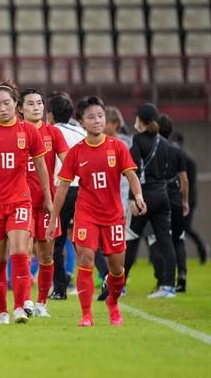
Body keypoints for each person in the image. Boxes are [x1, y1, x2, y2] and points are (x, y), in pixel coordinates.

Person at [46, 96, 146, 327]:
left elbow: (132, 175)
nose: (97, 120)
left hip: (113, 215)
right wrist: (53, 221)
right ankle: (87, 314)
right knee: (86, 259)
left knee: (117, 269)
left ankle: (113, 303)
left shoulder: (118, 147)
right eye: (91, 117)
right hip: (86, 214)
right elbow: (62, 189)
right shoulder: (76, 152)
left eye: (100, 116)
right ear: (81, 122)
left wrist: (138, 196)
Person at [0, 81, 52, 325]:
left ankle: (19, 307)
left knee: (19, 253)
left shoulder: (28, 131)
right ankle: (2, 312)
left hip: (20, 201)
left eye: (7, 103)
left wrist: (47, 196)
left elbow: (41, 166)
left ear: (16, 104)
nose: (2, 108)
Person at [18, 88, 69, 317]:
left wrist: (59, 183)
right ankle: (25, 300)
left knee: (46, 256)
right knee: (24, 252)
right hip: (21, 202)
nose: (37, 107)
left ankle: (41, 304)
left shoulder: (53, 133)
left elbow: (67, 162)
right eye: (30, 103)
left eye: (39, 103)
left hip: (47, 203)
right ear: (20, 109)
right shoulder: (15, 132)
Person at [124, 103, 178, 299]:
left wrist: (132, 198)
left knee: (130, 239)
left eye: (137, 117)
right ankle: (168, 286)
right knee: (165, 240)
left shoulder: (137, 140)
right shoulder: (164, 143)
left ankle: (119, 285)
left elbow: (133, 170)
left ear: (141, 121)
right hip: (163, 196)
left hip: (144, 197)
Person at [46, 92, 85, 300]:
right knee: (84, 238)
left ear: (50, 114)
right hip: (83, 189)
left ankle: (60, 288)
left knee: (57, 240)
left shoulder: (50, 132)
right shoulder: (81, 131)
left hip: (61, 189)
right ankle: (107, 276)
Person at [97, 106, 133, 301]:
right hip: (102, 201)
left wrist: (135, 198)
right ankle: (110, 278)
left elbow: (133, 174)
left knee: (118, 245)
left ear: (114, 124)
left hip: (122, 200)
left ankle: (118, 281)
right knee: (97, 244)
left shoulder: (124, 145)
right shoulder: (99, 143)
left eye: (105, 122)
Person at [157, 114, 189, 292]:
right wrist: (185, 201)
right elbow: (184, 179)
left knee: (161, 238)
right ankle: (182, 274)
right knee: (178, 237)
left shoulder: (155, 149)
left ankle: (164, 278)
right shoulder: (177, 150)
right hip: (175, 196)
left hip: (159, 195)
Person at [172, 131, 208, 264]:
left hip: (188, 200)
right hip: (178, 200)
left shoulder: (188, 161)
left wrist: (185, 200)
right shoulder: (176, 159)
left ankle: (202, 248)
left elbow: (188, 183)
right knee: (177, 230)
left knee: (186, 228)